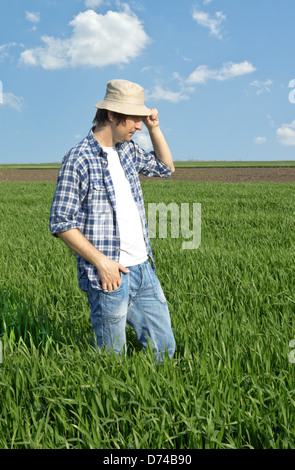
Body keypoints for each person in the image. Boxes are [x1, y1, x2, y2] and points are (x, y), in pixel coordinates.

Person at [49, 79, 176, 361]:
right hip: (109, 276)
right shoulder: (78, 159)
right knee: (111, 358)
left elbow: (166, 168)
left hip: (143, 269)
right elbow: (61, 222)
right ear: (111, 115)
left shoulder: (128, 151)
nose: (139, 127)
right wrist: (102, 263)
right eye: (135, 119)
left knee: (164, 350)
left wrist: (155, 127)